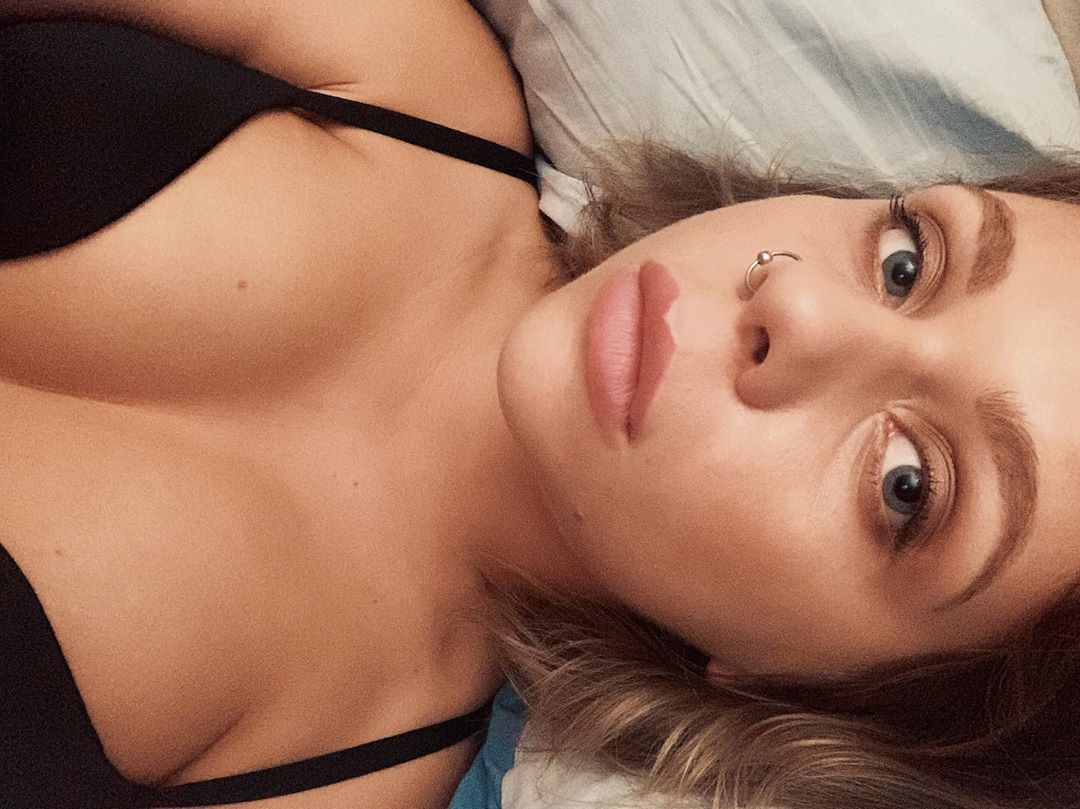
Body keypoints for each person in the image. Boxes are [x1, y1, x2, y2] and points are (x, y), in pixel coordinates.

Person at [1, 4, 1077, 809]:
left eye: (907, 487)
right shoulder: (405, 82)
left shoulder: (325, 772)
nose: (797, 304)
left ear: (820, 693)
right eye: (906, 261)